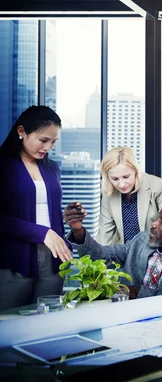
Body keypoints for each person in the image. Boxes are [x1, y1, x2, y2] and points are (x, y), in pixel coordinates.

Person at [0, 106, 72, 310]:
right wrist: (42, 233)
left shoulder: (52, 168)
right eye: (43, 140)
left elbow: (52, 212)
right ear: (21, 131)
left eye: (53, 141)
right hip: (14, 260)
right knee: (9, 323)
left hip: (53, 259)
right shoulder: (4, 165)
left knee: (48, 322)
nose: (48, 147)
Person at [64, 202, 162, 298]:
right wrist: (78, 230)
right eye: (157, 218)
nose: (154, 224)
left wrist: (137, 291)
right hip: (125, 315)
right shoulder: (140, 241)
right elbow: (102, 256)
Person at [96, 146, 162, 245]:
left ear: (136, 170)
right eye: (115, 179)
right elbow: (105, 234)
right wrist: (100, 258)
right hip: (122, 254)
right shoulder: (108, 192)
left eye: (126, 177)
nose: (122, 184)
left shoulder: (157, 185)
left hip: (154, 251)